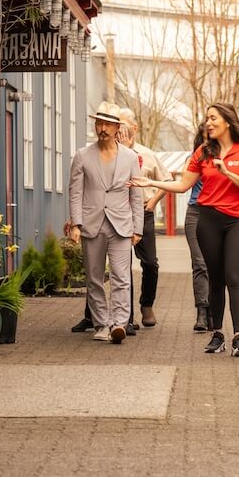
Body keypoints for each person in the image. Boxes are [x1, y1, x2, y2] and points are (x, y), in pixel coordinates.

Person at [132, 103, 239, 357]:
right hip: (208, 221)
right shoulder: (203, 152)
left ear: (227, 121)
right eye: (207, 119)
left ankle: (238, 337)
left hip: (237, 222)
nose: (208, 123)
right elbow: (182, 186)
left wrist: (227, 171)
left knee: (234, 277)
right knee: (215, 279)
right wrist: (151, 182)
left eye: (213, 118)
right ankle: (217, 335)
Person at [67, 102, 144, 344]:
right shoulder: (82, 156)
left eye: (107, 124)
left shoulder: (131, 157)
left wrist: (138, 228)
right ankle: (101, 324)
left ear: (117, 128)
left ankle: (119, 324)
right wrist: (76, 224)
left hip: (121, 225)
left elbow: (137, 194)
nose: (102, 128)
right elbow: (75, 192)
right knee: (94, 277)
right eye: (99, 123)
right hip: (92, 224)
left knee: (122, 277)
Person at [117, 107, 169, 328]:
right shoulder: (111, 154)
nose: (119, 130)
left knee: (150, 263)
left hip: (144, 212)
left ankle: (146, 305)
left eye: (123, 125)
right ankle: (125, 316)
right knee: (122, 266)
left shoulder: (147, 154)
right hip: (119, 213)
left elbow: (165, 181)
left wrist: (155, 200)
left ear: (134, 127)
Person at [185, 120, 211, 332]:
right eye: (204, 135)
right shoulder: (195, 157)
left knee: (215, 265)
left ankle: (215, 310)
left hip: (218, 213)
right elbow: (184, 183)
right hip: (195, 212)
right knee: (199, 263)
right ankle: (202, 311)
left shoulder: (227, 156)